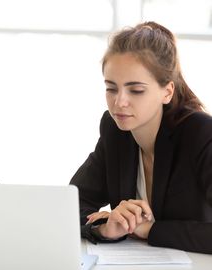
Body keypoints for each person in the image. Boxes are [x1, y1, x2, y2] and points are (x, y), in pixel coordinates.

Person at [70, 21, 212, 254]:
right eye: (111, 88)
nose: (119, 102)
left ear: (167, 91)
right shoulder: (115, 130)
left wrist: (147, 230)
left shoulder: (201, 133)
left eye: (135, 90)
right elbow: (72, 204)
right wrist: (104, 227)